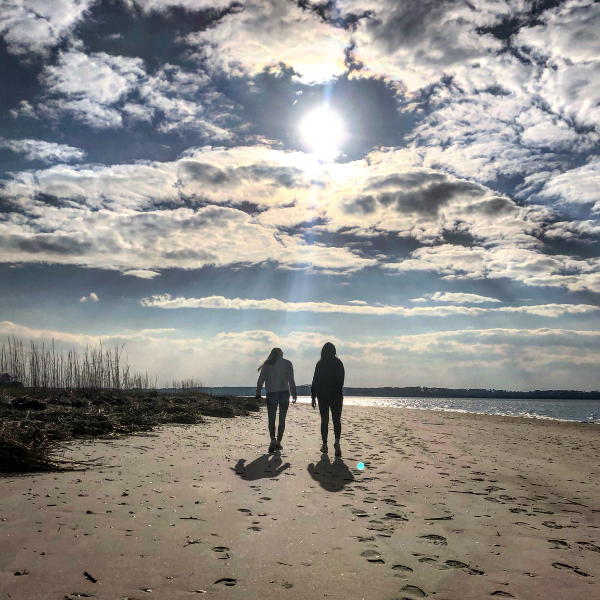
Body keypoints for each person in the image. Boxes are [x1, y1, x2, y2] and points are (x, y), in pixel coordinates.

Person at [256, 347, 297, 453]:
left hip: (271, 394)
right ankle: (278, 442)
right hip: (284, 393)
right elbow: (291, 380)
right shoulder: (287, 363)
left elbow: (261, 380)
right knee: (282, 419)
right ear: (281, 354)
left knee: (271, 418)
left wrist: (258, 393)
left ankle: (273, 439)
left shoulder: (267, 364)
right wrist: (294, 394)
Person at [311, 342, 345, 456]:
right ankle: (337, 442)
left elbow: (315, 380)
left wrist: (313, 396)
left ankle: (325, 445)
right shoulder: (339, 363)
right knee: (336, 419)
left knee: (324, 420)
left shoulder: (320, 364)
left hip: (323, 395)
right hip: (336, 395)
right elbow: (341, 380)